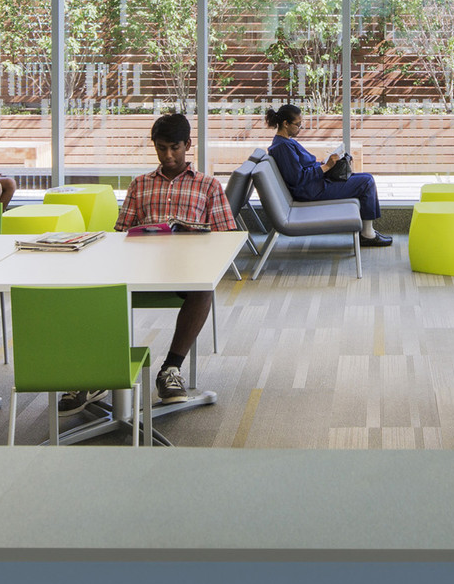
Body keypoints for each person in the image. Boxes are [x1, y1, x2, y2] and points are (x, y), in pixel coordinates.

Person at [61, 111, 238, 413]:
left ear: (187, 145)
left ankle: (171, 369)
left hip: (185, 267)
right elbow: (119, 232)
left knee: (203, 291)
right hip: (139, 265)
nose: (168, 155)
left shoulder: (208, 186)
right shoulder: (139, 184)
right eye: (161, 148)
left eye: (174, 148)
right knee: (95, 289)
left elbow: (228, 237)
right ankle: (98, 372)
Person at [264, 103, 389, 246]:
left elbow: (302, 169)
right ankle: (367, 234)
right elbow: (298, 178)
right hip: (311, 190)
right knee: (367, 182)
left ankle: (368, 231)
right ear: (285, 124)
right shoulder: (282, 147)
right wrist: (326, 166)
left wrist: (326, 164)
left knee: (364, 177)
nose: (300, 128)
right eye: (298, 125)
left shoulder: (285, 142)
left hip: (315, 184)